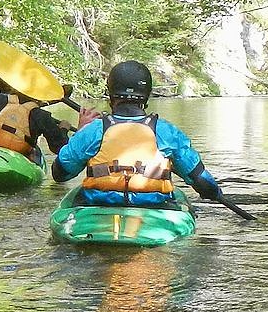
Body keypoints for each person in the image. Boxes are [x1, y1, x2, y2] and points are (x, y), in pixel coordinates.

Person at [54, 60, 222, 207]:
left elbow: (61, 173)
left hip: (99, 204)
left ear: (110, 94)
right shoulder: (166, 132)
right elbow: (203, 182)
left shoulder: (93, 130)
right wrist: (214, 193)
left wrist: (80, 132)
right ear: (146, 95)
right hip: (154, 207)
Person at [0, 78, 71, 164]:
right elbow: (59, 148)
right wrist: (63, 129)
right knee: (34, 150)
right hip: (17, 155)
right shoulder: (41, 116)